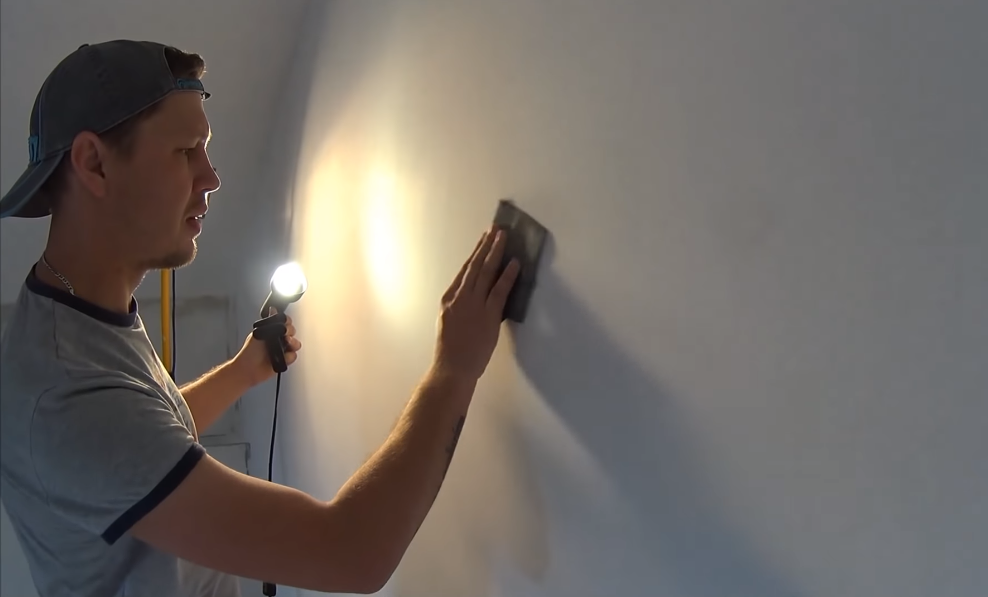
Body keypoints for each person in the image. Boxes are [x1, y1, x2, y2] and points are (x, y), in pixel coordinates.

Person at [0, 40, 520, 596]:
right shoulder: (65, 394)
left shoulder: (77, 315)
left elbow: (142, 436)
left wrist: (241, 372)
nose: (211, 177)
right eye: (186, 151)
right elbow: (350, 553)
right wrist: (453, 370)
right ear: (94, 163)